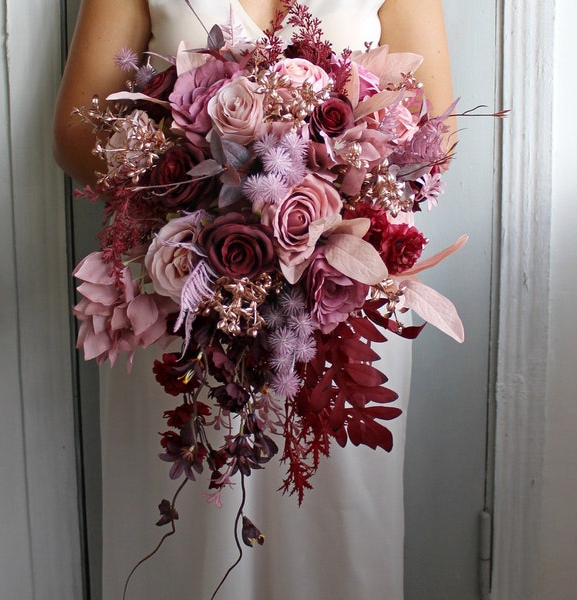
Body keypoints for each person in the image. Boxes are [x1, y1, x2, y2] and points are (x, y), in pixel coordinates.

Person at [54, 1, 454, 599]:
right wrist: (205, 195)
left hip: (338, 305)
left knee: (336, 533)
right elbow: (75, 134)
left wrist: (323, 199)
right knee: (190, 537)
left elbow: (435, 131)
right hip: (182, 296)